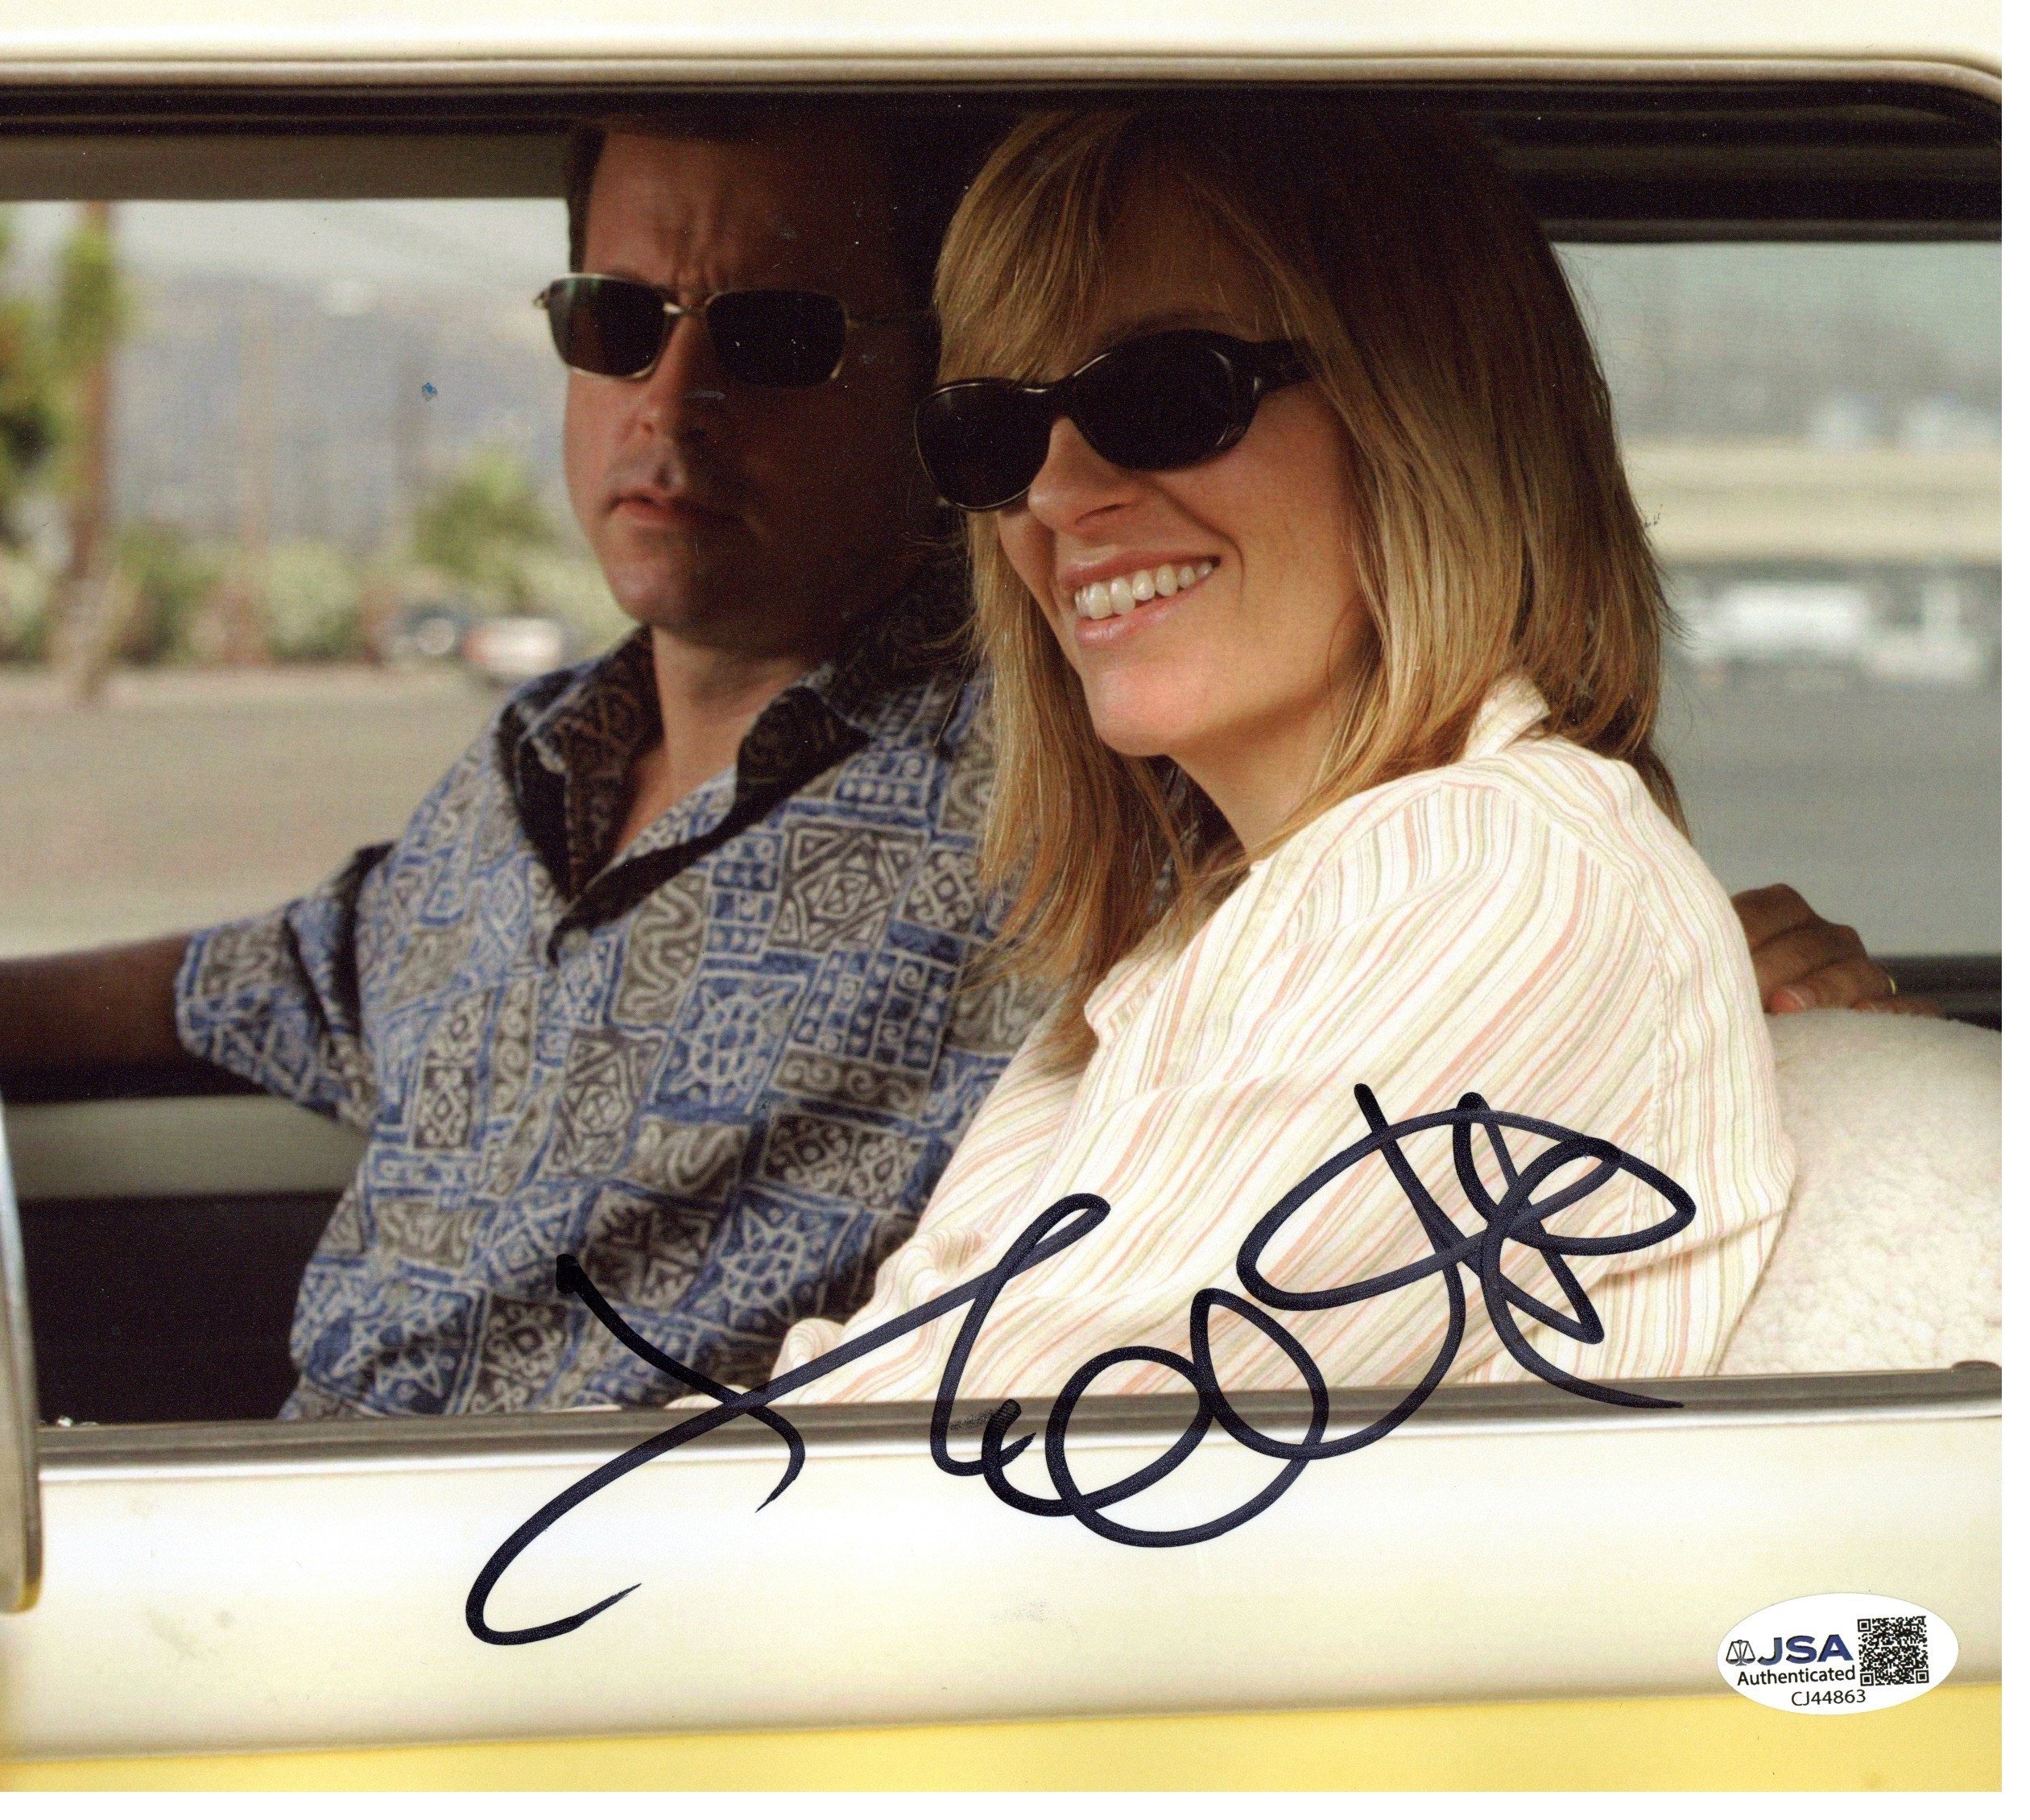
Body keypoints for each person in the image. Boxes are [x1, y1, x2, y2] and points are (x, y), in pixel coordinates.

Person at [0, 105, 1911, 1421]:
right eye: (618, 321)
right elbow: (277, 973)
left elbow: (1449, 923)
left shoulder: (1090, 803)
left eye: (780, 334)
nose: (672, 398)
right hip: (419, 1574)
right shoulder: (524, 783)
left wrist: (1659, 927)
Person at [775, 101, 1812, 1404]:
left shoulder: (1487, 875)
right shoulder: (1214, 938)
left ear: (1431, 411)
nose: (1055, 495)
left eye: (1165, 394)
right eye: (994, 431)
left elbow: (949, 1459)